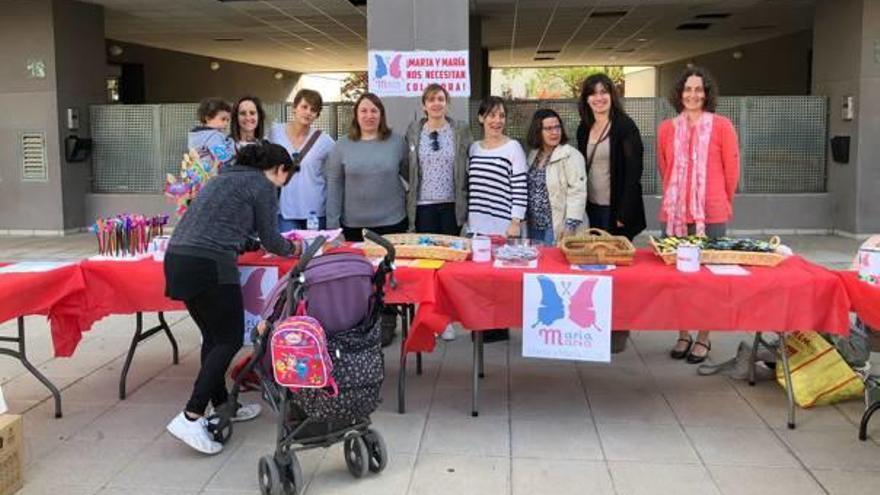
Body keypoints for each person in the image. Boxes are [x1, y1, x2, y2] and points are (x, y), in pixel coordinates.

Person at [163, 142, 302, 455]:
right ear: (280, 170)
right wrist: (295, 249)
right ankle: (191, 415)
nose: (282, 185)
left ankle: (223, 405)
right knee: (227, 339)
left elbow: (219, 224)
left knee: (213, 338)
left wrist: (247, 243)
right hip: (210, 264)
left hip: (178, 258)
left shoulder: (223, 178)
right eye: (285, 178)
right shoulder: (263, 185)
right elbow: (272, 239)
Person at [659, 66, 740, 364]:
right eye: (687, 89)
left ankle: (704, 337)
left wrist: (718, 202)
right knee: (678, 279)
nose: (693, 95)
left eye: (698, 89)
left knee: (708, 280)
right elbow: (665, 168)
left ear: (706, 93)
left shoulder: (722, 126)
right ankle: (683, 333)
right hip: (675, 214)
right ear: (679, 94)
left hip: (712, 213)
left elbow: (731, 172)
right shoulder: (667, 128)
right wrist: (677, 201)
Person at [405, 83, 472, 341]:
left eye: (441, 99)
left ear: (447, 103)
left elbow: (469, 161)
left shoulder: (459, 130)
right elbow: (406, 166)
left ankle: (446, 318)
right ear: (424, 105)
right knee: (427, 263)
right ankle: (429, 316)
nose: (436, 104)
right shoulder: (414, 131)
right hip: (423, 206)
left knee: (449, 264)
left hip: (451, 205)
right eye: (431, 99)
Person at [467, 96, 528, 342]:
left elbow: (520, 186)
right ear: (481, 118)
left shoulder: (513, 148)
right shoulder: (473, 148)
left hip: (504, 226)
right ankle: (480, 325)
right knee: (479, 280)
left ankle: (499, 325)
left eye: (501, 116)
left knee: (501, 279)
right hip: (477, 226)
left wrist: (516, 221)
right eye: (491, 115)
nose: (497, 121)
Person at [325, 92, 408, 242]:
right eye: (363, 111)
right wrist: (333, 227)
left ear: (381, 115)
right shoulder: (341, 146)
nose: (369, 115)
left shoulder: (398, 143)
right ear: (356, 115)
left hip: (393, 223)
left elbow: (410, 176)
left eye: (374, 111)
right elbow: (334, 187)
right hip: (353, 226)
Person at [576, 73, 646, 241]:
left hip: (616, 209)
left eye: (603, 92)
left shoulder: (625, 126)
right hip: (592, 206)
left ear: (612, 96)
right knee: (595, 256)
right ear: (586, 99)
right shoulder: (584, 127)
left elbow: (634, 171)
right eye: (593, 93)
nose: (599, 97)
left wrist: (625, 211)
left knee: (614, 257)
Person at [269, 89, 335, 232]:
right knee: (288, 252)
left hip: (315, 211)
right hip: (285, 210)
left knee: (315, 253)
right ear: (294, 108)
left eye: (313, 110)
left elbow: (335, 171)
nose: (308, 112)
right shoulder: (274, 132)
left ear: (317, 114)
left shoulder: (325, 141)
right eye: (304, 107)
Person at [524, 108, 586, 244]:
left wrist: (570, 226)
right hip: (532, 226)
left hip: (556, 227)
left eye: (558, 127)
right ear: (538, 131)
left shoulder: (571, 155)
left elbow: (578, 193)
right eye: (549, 128)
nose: (555, 132)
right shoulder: (533, 154)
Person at [188, 97, 235, 172]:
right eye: (223, 119)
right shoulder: (213, 136)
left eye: (228, 120)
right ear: (208, 118)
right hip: (211, 175)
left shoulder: (196, 135)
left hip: (198, 175)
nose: (226, 123)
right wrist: (233, 147)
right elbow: (223, 157)